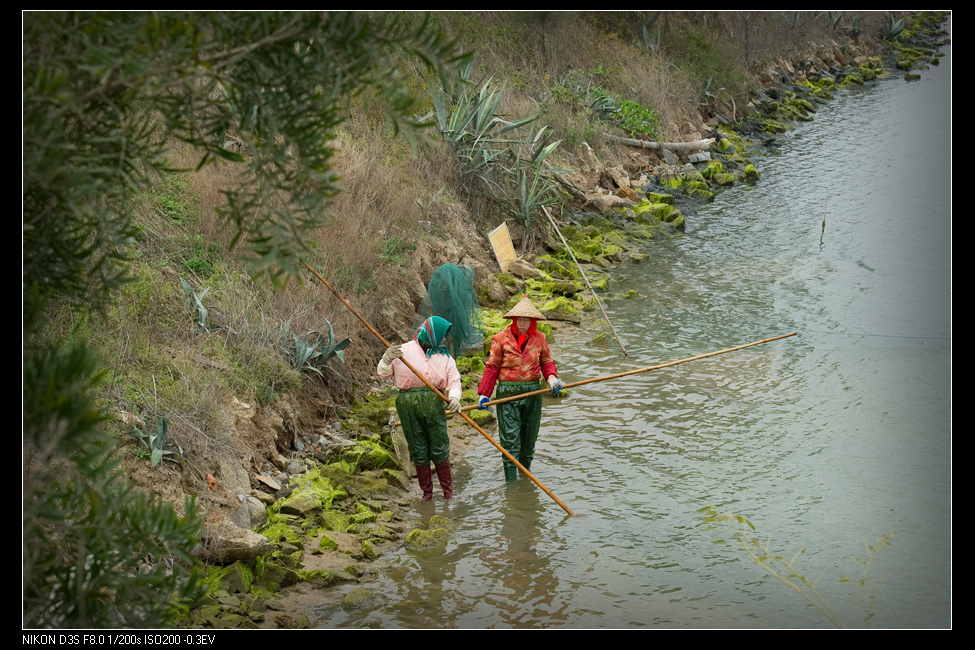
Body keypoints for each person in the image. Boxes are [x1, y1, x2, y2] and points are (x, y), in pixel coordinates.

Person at [477, 295, 562, 481]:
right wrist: (484, 394)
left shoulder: (540, 338)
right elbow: (492, 367)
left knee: (529, 437)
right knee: (509, 439)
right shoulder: (500, 339)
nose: (522, 323)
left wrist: (552, 378)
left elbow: (547, 362)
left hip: (532, 391)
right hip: (508, 391)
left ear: (532, 321)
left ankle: (525, 480)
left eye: (526, 320)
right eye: (519, 320)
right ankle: (511, 484)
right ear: (514, 320)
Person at [378, 316, 462, 501]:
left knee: (439, 445)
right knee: (418, 447)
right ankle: (427, 494)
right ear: (431, 333)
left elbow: (454, 381)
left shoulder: (444, 356)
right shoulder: (403, 351)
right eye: (442, 335)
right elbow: (383, 374)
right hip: (408, 405)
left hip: (434, 403)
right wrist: (386, 359)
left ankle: (448, 493)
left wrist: (454, 398)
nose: (444, 340)